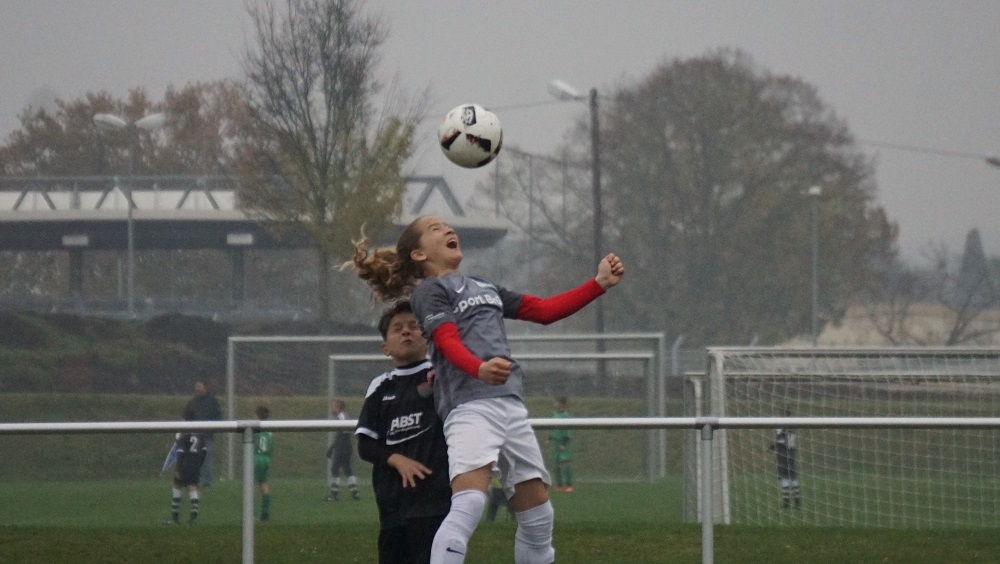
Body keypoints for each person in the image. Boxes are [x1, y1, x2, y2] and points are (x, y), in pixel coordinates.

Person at [348, 215, 625, 563]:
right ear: (419, 255)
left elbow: (543, 311)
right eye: (435, 229)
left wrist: (598, 284)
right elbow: (446, 339)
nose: (448, 230)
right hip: (470, 408)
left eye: (447, 226)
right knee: (470, 503)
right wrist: (477, 368)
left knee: (539, 514)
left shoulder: (482, 285)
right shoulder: (430, 292)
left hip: (509, 404)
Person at [355, 300, 452, 563]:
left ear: (427, 337)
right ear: (385, 347)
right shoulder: (380, 386)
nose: (406, 331)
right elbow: (366, 445)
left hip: (435, 503)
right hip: (393, 507)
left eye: (413, 326)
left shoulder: (442, 377)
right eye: (397, 328)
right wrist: (397, 460)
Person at [164, 406, 207, 525]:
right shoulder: (199, 433)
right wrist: (199, 464)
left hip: (185, 463)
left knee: (177, 486)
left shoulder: (183, 433)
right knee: (193, 486)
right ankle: (193, 518)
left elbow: (181, 452)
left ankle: (175, 518)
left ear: (185, 419)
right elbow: (204, 451)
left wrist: (178, 469)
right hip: (195, 463)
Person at [185, 379, 222, 487]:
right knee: (194, 460)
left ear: (205, 387)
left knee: (207, 460)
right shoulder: (192, 402)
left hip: (207, 436)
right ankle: (194, 480)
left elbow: (217, 416)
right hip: (195, 436)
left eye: (199, 386)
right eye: (196, 386)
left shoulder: (212, 401)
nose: (197, 388)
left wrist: (211, 428)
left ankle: (207, 482)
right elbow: (186, 416)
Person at [327, 399, 361, 501]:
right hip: (346, 446)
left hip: (342, 446)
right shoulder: (343, 416)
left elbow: (341, 433)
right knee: (347, 469)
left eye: (333, 406)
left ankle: (334, 494)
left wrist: (332, 447)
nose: (332, 408)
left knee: (334, 468)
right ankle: (355, 494)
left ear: (338, 407)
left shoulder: (341, 417)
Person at [768, 408, 802, 509]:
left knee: (786, 477)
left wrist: (772, 447)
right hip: (789, 454)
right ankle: (794, 501)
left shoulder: (785, 427)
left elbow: (782, 441)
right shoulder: (789, 427)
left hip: (785, 454)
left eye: (780, 415)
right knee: (790, 477)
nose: (778, 416)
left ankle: (789, 501)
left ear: (785, 416)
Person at [549, 396, 574, 493]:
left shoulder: (565, 415)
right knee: (556, 464)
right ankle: (559, 485)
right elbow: (553, 428)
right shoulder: (555, 414)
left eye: (557, 402)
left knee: (565, 463)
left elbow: (567, 430)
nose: (555, 404)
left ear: (562, 404)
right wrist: (549, 438)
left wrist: (564, 443)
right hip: (555, 442)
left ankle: (569, 485)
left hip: (563, 442)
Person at [254, 405, 274, 521]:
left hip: (257, 457)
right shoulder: (270, 431)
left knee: (250, 484)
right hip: (266, 458)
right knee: (264, 484)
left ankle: (251, 513)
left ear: (258, 416)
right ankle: (265, 513)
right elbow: (271, 447)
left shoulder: (256, 430)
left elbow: (253, 444)